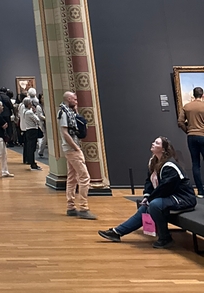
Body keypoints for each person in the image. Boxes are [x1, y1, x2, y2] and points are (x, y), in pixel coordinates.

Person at [98, 137, 197, 248]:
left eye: (157, 143)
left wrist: (151, 200)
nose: (153, 143)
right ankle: (117, 232)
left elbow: (165, 188)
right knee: (144, 208)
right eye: (154, 142)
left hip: (183, 198)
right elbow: (148, 182)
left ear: (163, 149)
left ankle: (165, 238)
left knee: (154, 205)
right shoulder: (154, 162)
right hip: (170, 196)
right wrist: (147, 196)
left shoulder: (170, 166)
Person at [58, 91, 96, 220]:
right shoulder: (64, 113)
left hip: (71, 148)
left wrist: (76, 109)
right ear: (69, 99)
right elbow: (65, 132)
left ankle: (71, 207)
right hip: (72, 148)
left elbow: (75, 124)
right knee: (85, 177)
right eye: (74, 99)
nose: (76, 100)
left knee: (72, 177)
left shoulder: (70, 111)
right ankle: (84, 208)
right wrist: (75, 147)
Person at [177, 85, 204, 197]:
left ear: (193, 95)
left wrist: (188, 131)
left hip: (191, 137)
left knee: (195, 163)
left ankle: (200, 191)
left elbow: (180, 122)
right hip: (203, 136)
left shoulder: (187, 106)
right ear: (202, 95)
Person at [22, 99, 42, 171]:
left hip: (29, 130)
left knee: (31, 147)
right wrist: (35, 113)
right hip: (32, 130)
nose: (31, 104)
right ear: (28, 104)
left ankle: (31, 161)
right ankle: (32, 163)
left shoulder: (25, 111)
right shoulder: (29, 112)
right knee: (31, 147)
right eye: (30, 103)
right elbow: (37, 120)